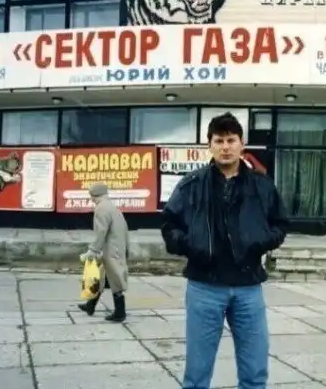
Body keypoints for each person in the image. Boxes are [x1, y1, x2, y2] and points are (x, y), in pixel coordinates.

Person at [161, 112, 289, 389]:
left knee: (255, 373)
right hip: (204, 287)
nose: (225, 147)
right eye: (219, 141)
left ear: (242, 144)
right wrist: (192, 245)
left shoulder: (262, 185)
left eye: (231, 140)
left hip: (248, 287)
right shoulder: (191, 185)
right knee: (196, 376)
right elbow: (169, 225)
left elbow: (280, 223)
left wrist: (261, 241)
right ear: (209, 145)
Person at [78, 182, 130, 322]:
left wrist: (92, 250)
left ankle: (120, 312)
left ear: (95, 195)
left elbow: (101, 232)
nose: (91, 199)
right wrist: (126, 250)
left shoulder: (101, 208)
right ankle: (90, 305)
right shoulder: (112, 207)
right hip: (117, 249)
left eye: (91, 196)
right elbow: (125, 230)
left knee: (115, 280)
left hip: (110, 250)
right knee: (101, 278)